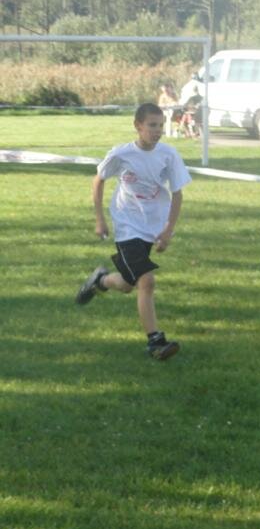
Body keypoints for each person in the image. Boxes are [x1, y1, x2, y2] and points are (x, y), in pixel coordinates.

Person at [75, 103, 192, 360]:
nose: (157, 130)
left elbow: (177, 193)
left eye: (161, 125)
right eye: (152, 125)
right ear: (138, 126)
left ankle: (101, 281)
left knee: (128, 284)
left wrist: (168, 230)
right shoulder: (122, 153)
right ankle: (155, 342)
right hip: (127, 225)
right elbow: (98, 180)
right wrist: (100, 219)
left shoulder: (168, 154)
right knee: (146, 280)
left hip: (153, 227)